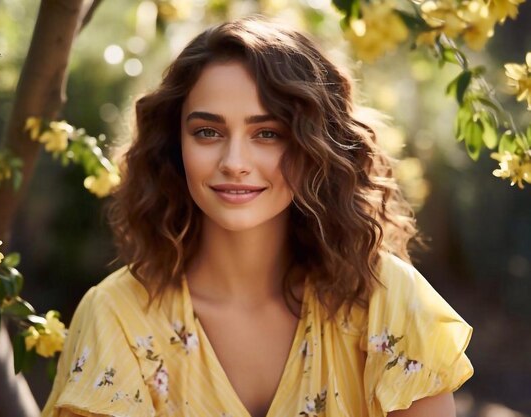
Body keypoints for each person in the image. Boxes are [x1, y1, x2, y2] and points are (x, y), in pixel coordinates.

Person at [42, 16, 473, 417]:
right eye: (207, 132)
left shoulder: (387, 301)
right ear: (175, 146)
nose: (234, 161)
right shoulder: (116, 317)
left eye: (267, 134)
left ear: (313, 147)